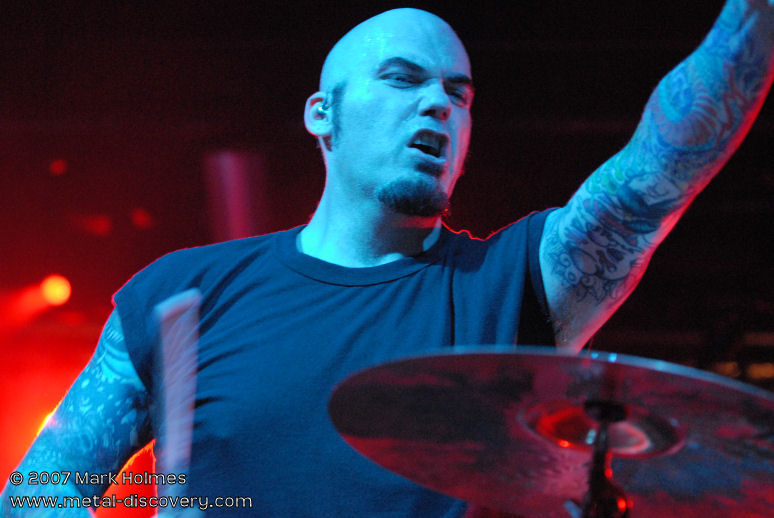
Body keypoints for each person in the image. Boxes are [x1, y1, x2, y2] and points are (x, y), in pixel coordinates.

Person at [3, 3, 773, 517]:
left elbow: (655, 175)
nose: (439, 104)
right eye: (403, 78)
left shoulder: (511, 282)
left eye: (459, 95)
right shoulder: (183, 291)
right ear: (322, 114)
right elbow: (38, 492)